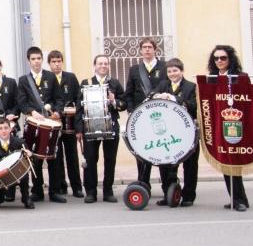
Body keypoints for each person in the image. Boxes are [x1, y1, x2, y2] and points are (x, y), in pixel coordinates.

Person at [16, 46, 65, 203]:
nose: (36, 62)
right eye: (33, 59)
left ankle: (54, 191)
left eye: (38, 59)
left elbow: (59, 99)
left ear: (42, 60)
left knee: (53, 158)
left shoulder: (51, 77)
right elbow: (22, 102)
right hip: (34, 124)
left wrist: (57, 111)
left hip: (50, 123)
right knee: (35, 157)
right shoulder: (24, 80)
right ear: (28, 61)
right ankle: (37, 190)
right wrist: (31, 111)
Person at [77, 55, 124, 204]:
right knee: (90, 159)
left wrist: (113, 100)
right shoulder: (86, 83)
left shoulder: (114, 83)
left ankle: (108, 191)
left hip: (111, 126)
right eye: (100, 63)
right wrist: (79, 129)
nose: (103, 66)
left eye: (106, 63)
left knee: (110, 159)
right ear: (94, 65)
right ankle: (90, 192)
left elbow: (124, 103)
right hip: (90, 126)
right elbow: (79, 108)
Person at [207, 45, 249, 211]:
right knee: (225, 161)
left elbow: (247, 100)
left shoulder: (240, 77)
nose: (219, 61)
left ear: (230, 59)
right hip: (218, 125)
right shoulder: (212, 78)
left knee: (234, 162)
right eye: (216, 58)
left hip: (236, 124)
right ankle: (238, 198)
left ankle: (238, 200)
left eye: (223, 58)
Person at [153, 58, 198, 207]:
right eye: (169, 71)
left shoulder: (191, 86)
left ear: (181, 71)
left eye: (175, 70)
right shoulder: (163, 85)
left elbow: (193, 106)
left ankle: (188, 196)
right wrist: (156, 96)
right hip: (168, 133)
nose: (172, 74)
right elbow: (151, 97)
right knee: (165, 164)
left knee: (190, 166)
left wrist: (172, 97)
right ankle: (168, 195)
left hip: (188, 132)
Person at [124, 37, 167, 187]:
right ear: (141, 51)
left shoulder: (165, 67)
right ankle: (144, 182)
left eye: (150, 47)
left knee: (162, 147)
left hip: (160, 116)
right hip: (141, 117)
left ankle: (167, 184)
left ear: (155, 49)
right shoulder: (134, 70)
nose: (147, 49)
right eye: (144, 47)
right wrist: (130, 111)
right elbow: (128, 93)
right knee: (142, 149)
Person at [48, 50, 83, 198]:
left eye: (58, 61)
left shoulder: (70, 77)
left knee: (72, 156)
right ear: (49, 64)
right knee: (57, 156)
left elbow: (78, 98)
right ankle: (61, 186)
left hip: (70, 123)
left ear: (62, 62)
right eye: (53, 62)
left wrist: (73, 110)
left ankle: (77, 187)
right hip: (54, 122)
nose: (56, 64)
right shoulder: (47, 78)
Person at [0, 118, 33, 209]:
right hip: (1, 174)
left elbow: (30, 160)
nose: (3, 131)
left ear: (11, 129)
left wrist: (29, 154)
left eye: (6, 128)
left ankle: (26, 198)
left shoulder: (20, 142)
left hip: (17, 172)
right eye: (0, 128)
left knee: (24, 174)